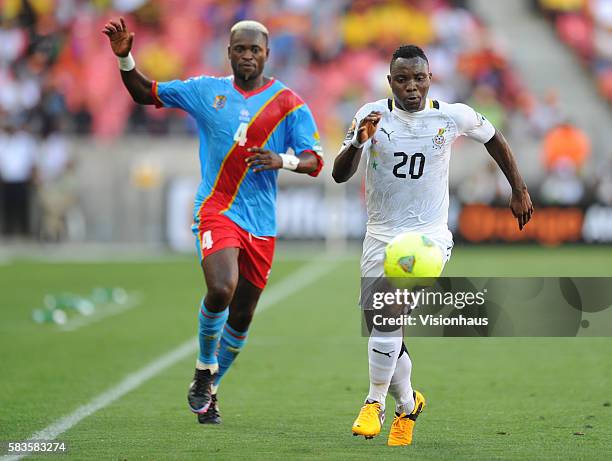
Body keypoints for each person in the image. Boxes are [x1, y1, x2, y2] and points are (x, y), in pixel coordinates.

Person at [102, 18, 323, 424]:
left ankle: (211, 389)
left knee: (241, 317)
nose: (248, 56)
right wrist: (126, 58)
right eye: (240, 49)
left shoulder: (289, 103)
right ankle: (204, 368)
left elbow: (315, 161)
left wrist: (282, 160)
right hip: (217, 209)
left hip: (262, 222)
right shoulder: (207, 91)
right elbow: (145, 93)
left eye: (255, 49)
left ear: (267, 54)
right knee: (221, 288)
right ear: (229, 52)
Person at [332, 45, 533, 446]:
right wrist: (356, 142)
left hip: (428, 237)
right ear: (390, 82)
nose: (411, 87)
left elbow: (494, 139)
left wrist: (519, 188)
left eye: (418, 78)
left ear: (429, 79)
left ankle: (374, 403)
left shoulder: (451, 115)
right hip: (380, 235)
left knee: (389, 313)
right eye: (402, 79)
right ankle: (409, 404)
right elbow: (340, 175)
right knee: (384, 332)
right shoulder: (371, 115)